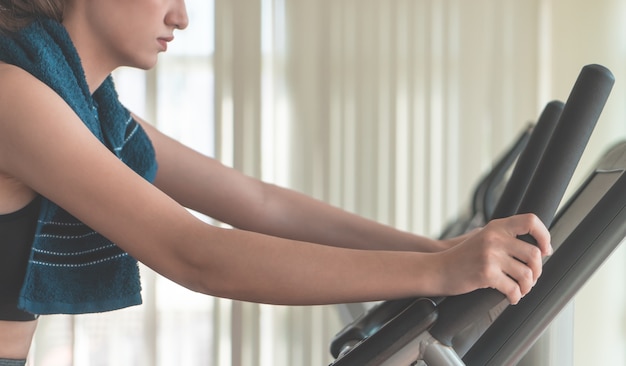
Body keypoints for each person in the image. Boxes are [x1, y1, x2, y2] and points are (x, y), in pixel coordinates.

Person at [0, 0, 552, 364]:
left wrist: (441, 252)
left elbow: (260, 204)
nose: (182, 16)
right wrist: (434, 270)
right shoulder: (14, 96)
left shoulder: (90, 114)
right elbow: (194, 253)